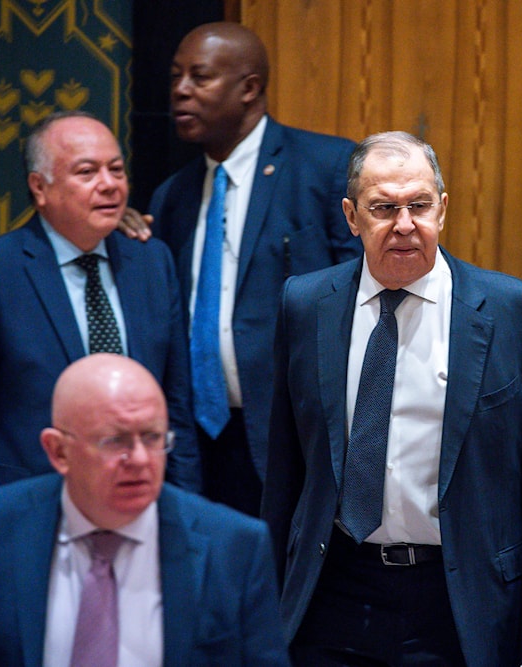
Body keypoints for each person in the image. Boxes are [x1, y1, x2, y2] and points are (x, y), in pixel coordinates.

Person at [261, 131, 522, 667]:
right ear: (351, 216)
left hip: (457, 597)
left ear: (444, 208)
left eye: (419, 205)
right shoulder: (306, 304)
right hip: (332, 589)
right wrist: (264, 597)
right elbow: (285, 469)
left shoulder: (512, 312)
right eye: (384, 208)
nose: (404, 225)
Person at [124, 22, 361, 516]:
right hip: (197, 443)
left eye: (200, 77)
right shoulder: (173, 196)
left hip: (293, 436)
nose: (180, 90)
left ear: (249, 88)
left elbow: (366, 301)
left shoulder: (327, 169)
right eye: (175, 77)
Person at [0, 353, 287, 666]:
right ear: (58, 452)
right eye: (114, 440)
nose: (141, 460)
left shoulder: (235, 547)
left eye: (153, 437)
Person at [0, 111, 200, 498]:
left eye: (116, 170)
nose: (109, 185)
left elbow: (177, 406)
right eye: (87, 172)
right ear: (40, 187)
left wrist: (186, 510)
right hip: (30, 506)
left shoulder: (153, 262)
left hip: (140, 501)